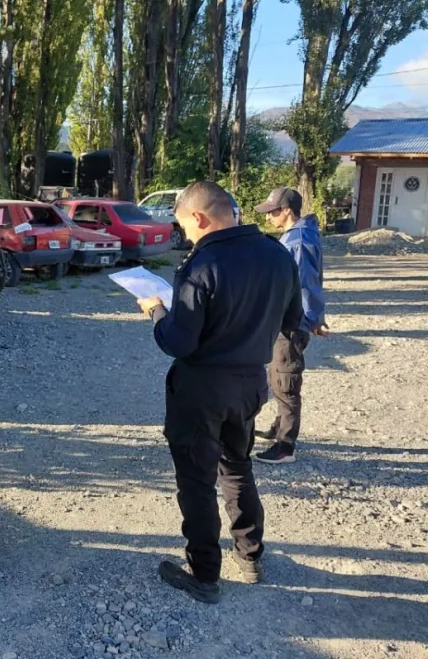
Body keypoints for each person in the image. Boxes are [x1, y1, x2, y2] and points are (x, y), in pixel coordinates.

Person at [136, 181, 302, 604]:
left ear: (199, 217)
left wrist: (156, 311)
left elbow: (178, 342)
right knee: (237, 466)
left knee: (196, 480)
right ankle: (251, 556)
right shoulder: (277, 253)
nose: (186, 237)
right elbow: (293, 321)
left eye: (184, 228)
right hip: (249, 383)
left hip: (201, 388)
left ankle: (205, 573)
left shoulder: (200, 265)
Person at [253, 186, 328, 464]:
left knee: (286, 382)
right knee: (278, 375)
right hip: (289, 320)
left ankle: (285, 446)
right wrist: (317, 318)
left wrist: (306, 321)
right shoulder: (301, 235)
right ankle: (277, 427)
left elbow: (306, 283)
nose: (269, 216)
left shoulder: (296, 241)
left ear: (287, 210)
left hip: (290, 323)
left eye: (272, 211)